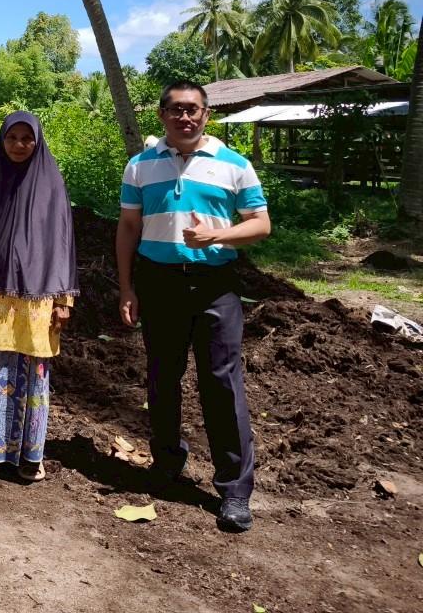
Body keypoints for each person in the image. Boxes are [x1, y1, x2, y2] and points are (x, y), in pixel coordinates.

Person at [116, 80, 271, 534]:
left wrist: (216, 236)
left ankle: (235, 490)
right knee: (162, 377)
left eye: (194, 110)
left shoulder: (234, 165)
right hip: (158, 282)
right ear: (162, 115)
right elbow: (128, 227)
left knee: (222, 382)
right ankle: (167, 462)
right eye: (176, 110)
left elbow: (260, 224)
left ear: (206, 115)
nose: (185, 117)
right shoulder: (140, 166)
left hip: (215, 285)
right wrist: (126, 287)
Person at [0, 112, 76, 481]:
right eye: (12, 138)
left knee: (34, 372)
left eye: (27, 138)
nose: (19, 145)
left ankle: (29, 455)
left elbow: (64, 244)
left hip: (39, 295)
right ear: (1, 140)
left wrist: (64, 300)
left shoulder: (52, 184)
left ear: (37, 141)